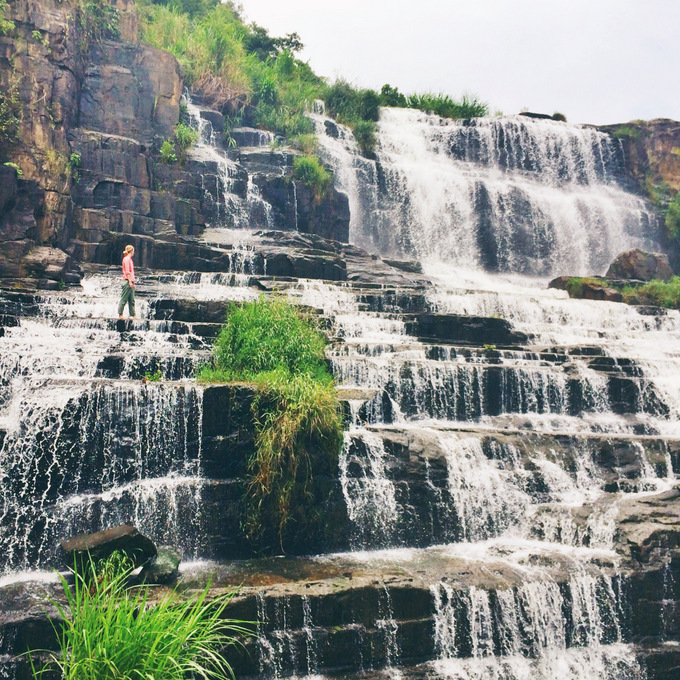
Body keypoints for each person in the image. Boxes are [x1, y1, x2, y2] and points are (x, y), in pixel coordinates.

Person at [118, 244, 136, 319]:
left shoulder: (130, 259)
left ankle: (133, 315)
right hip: (127, 281)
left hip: (130, 281)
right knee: (124, 298)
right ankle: (120, 314)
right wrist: (129, 282)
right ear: (131, 251)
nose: (134, 252)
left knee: (131, 300)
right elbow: (127, 271)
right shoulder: (126, 259)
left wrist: (132, 281)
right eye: (133, 251)